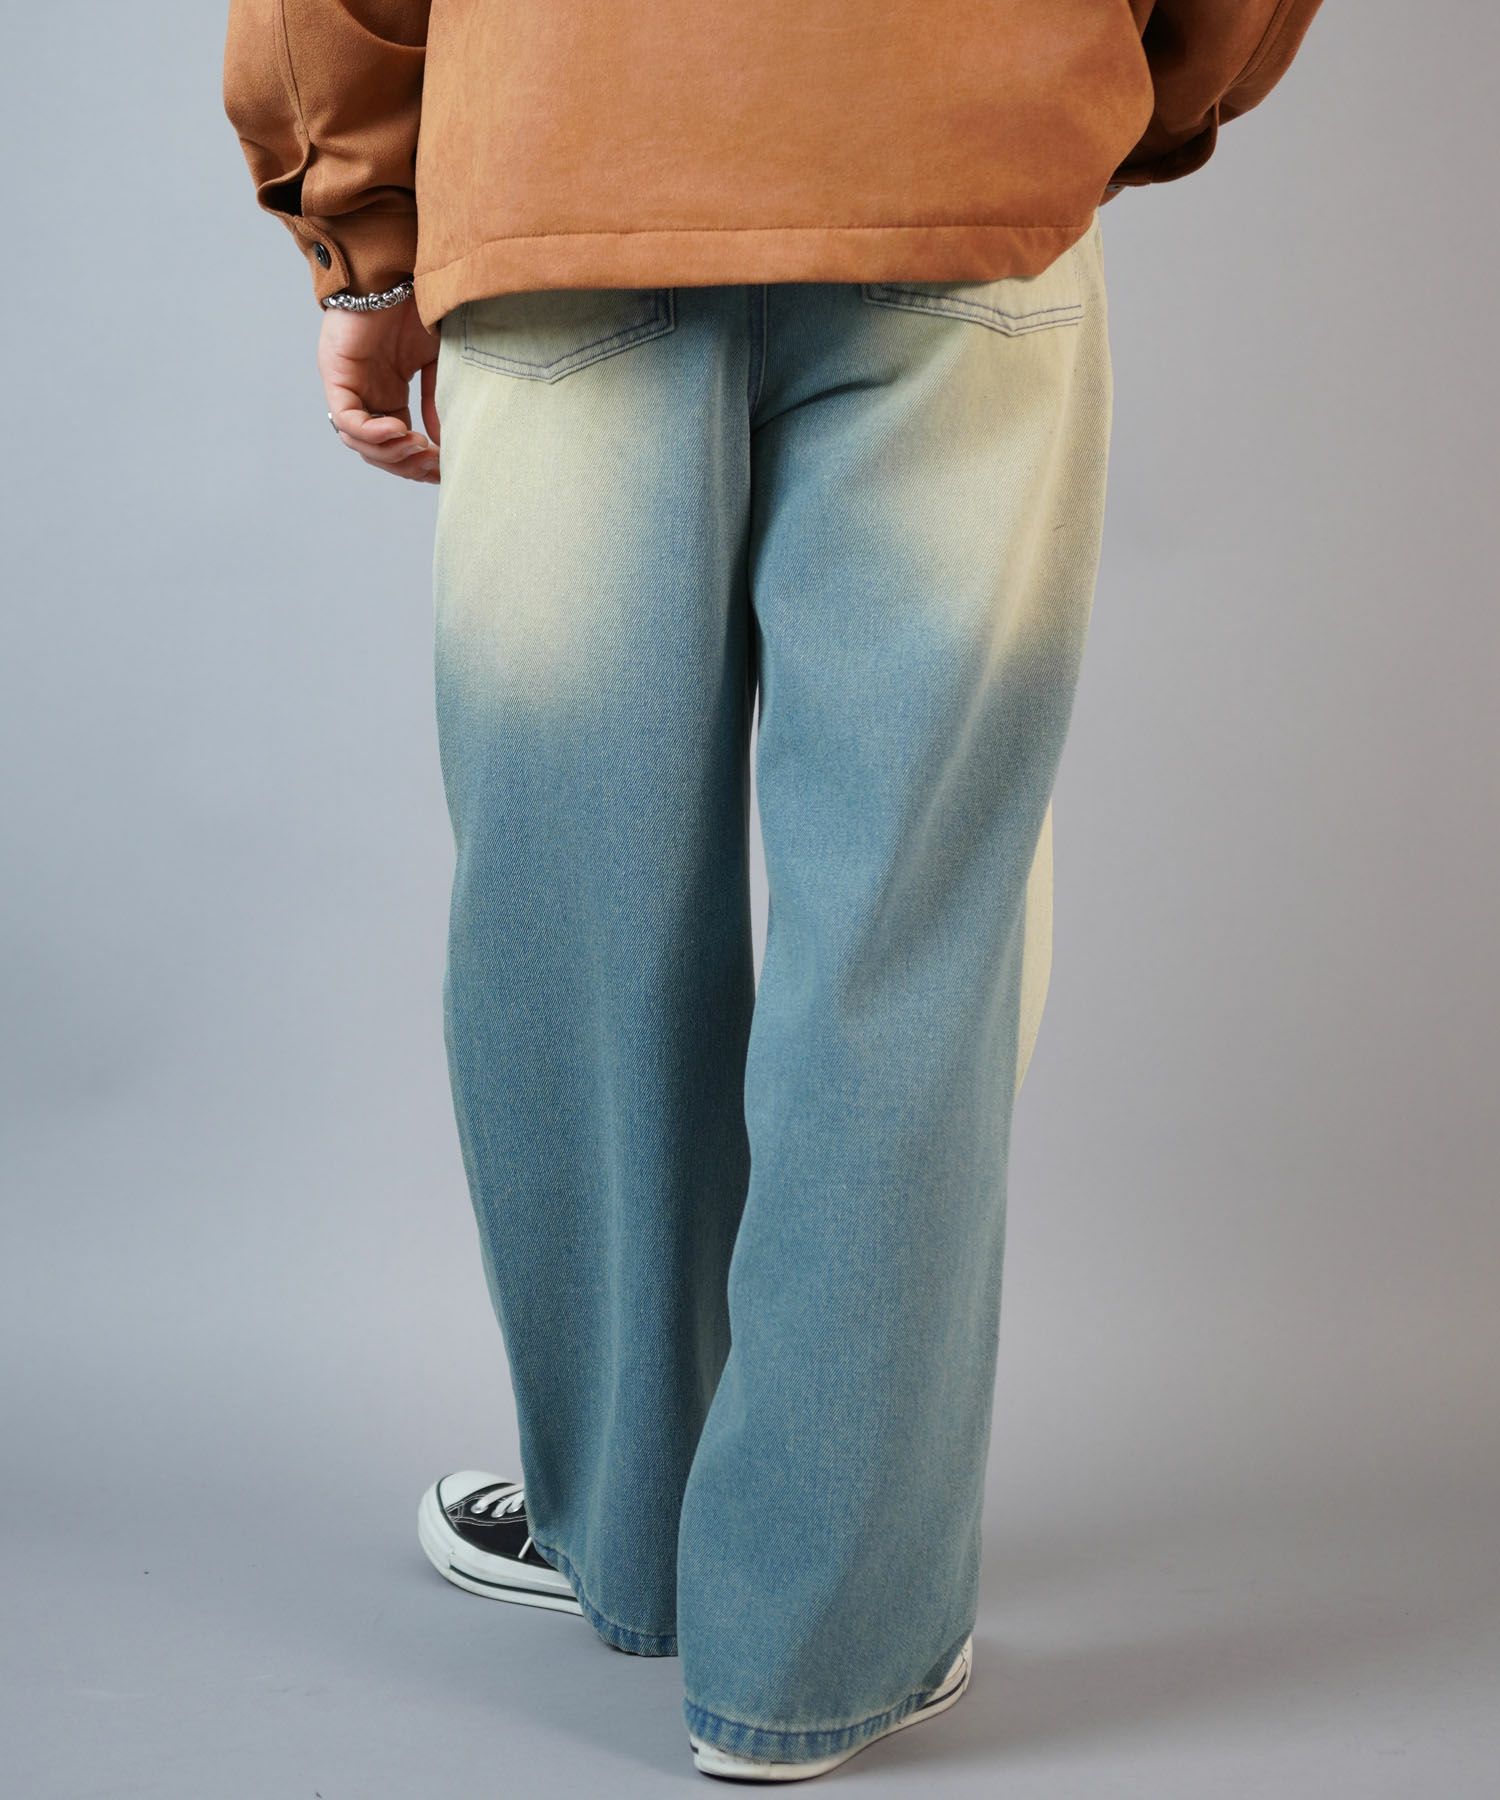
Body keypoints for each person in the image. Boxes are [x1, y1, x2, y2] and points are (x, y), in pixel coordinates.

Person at [224, 2, 1321, 1780]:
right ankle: (829, 1639)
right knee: (909, 939)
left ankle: (632, 1537)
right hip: (967, 159)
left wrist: (367, 243)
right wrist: (1096, 92)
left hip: (569, 167)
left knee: (573, 910)